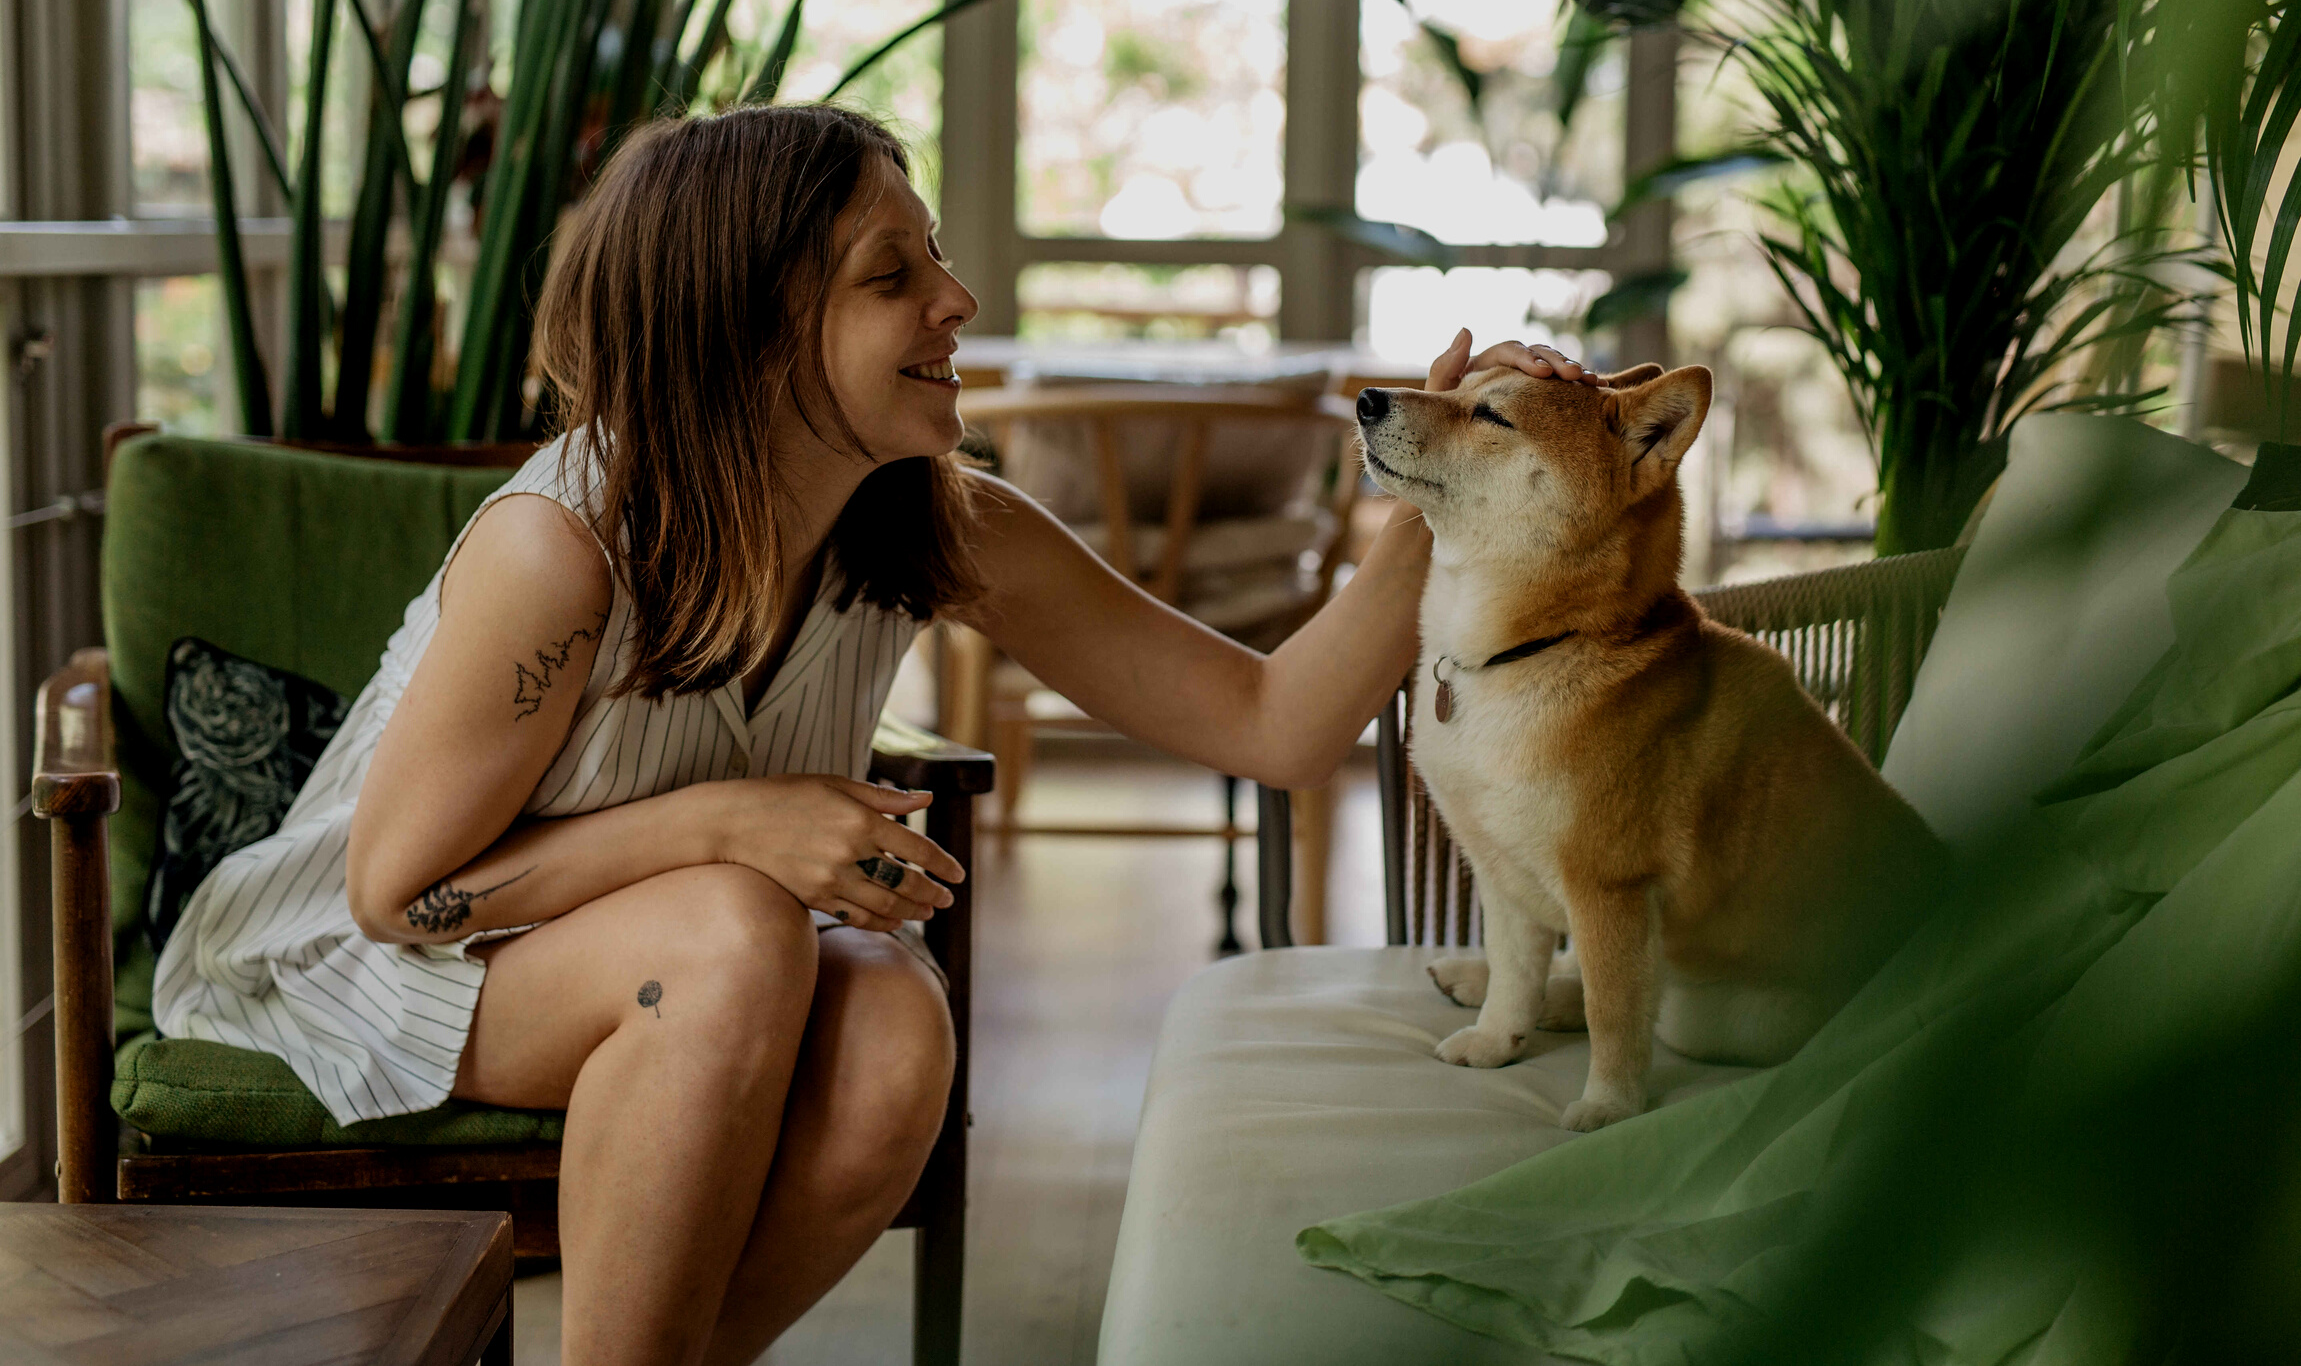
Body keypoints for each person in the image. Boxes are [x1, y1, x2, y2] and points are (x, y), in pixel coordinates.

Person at [151, 104, 1583, 1366]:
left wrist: (1439, 487)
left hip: (660, 946)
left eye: (933, 258)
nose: (955, 299)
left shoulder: (931, 521)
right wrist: (731, 827)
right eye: (890, 277)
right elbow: (396, 897)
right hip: (367, 961)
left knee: (895, 1025)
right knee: (730, 926)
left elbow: (1269, 723)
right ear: (745, 328)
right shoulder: (564, 546)